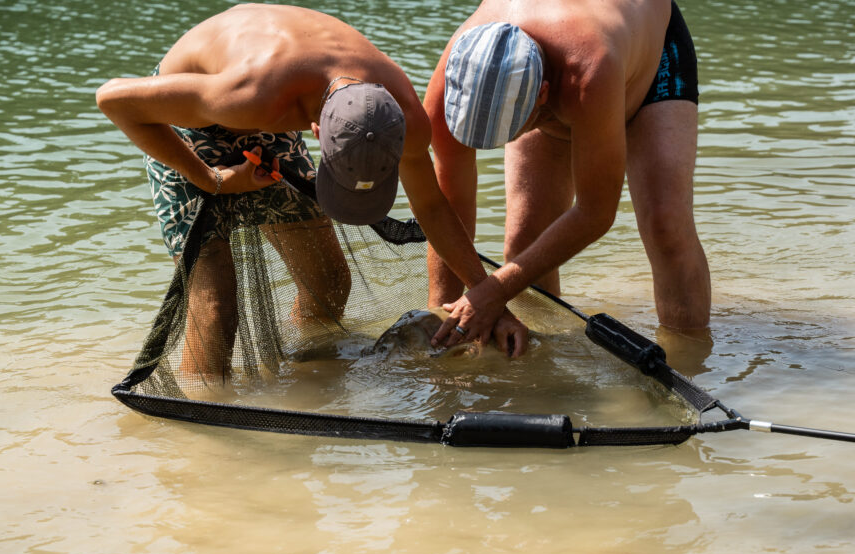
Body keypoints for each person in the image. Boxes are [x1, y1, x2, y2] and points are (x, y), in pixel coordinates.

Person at [96, 4, 528, 380]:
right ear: (319, 133)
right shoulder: (247, 94)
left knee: (329, 281)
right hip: (188, 120)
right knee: (216, 310)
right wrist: (212, 179)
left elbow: (432, 205)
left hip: (282, 98)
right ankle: (203, 437)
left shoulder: (401, 117)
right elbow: (113, 99)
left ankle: (301, 381)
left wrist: (488, 297)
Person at [423, 0, 711, 340]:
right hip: (568, 72)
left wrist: (495, 291)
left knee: (666, 227)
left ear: (542, 94)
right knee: (524, 240)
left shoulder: (588, 70)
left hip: (645, 48)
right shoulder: (446, 92)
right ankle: (542, 363)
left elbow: (595, 212)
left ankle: (691, 359)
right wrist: (444, 318)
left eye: (506, 135)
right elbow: (444, 208)